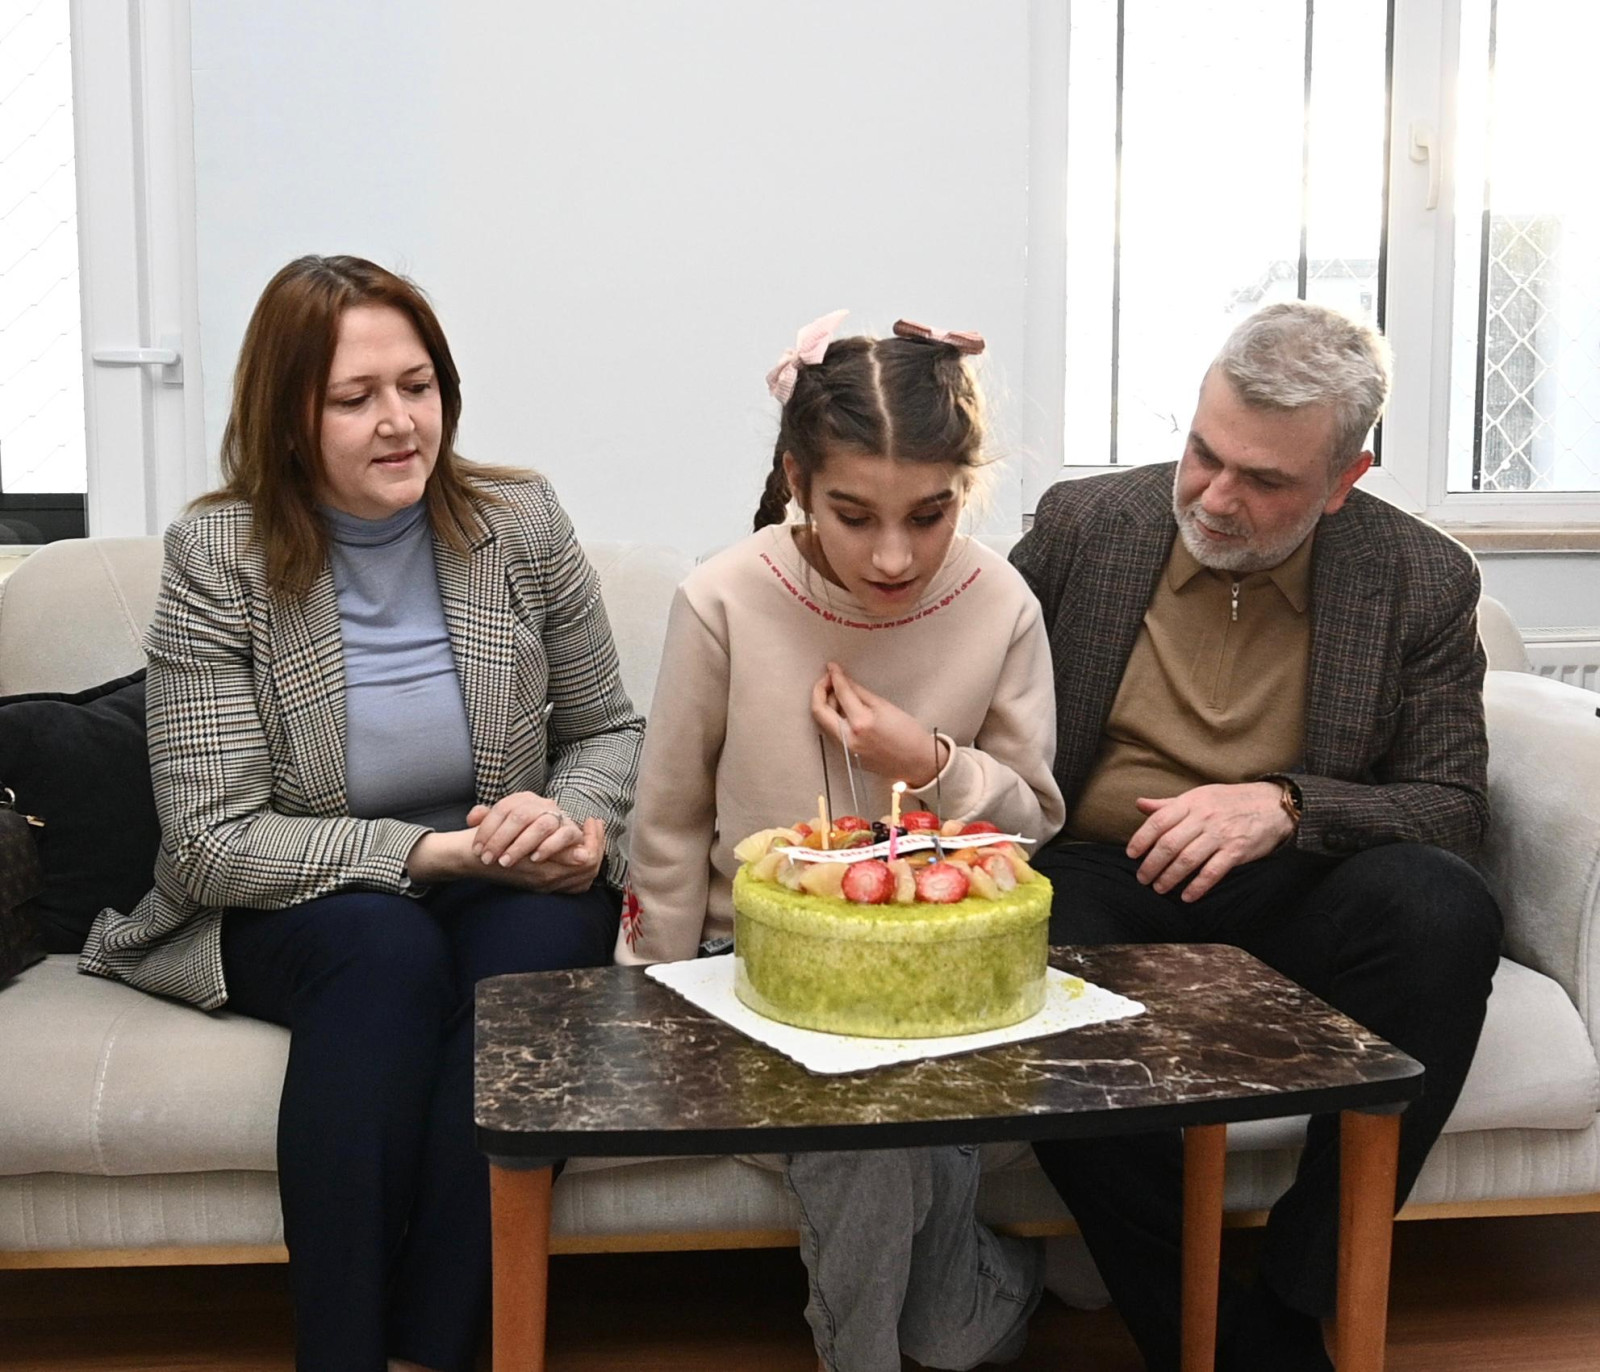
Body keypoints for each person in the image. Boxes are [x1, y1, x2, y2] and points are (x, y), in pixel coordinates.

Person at [79, 255, 645, 1372]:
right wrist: (432, 852)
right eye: (355, 398)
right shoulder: (218, 557)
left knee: (540, 950)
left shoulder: (520, 520)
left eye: (418, 386)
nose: (400, 422)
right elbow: (210, 839)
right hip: (306, 890)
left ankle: (432, 1348)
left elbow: (606, 730)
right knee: (384, 951)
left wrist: (569, 823)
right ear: (287, 420)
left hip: (500, 876)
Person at [1010, 300, 1503, 1371]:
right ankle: (1216, 1341)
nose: (1216, 498)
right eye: (1204, 453)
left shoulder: (1420, 575)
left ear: (1344, 479)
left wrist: (1287, 805)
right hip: (1099, 874)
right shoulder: (1084, 526)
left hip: (1295, 883)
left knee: (1443, 905)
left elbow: (1451, 803)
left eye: (1265, 480)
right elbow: (961, 670)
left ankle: (1297, 1287)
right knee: (1030, 947)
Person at [618, 311, 1063, 1372]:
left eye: (930, 515)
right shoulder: (724, 598)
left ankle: (988, 1293)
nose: (894, 555)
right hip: (755, 967)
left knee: (937, 1288)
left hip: (945, 976)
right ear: (796, 483)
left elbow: (1033, 818)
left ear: (964, 490)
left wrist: (929, 760)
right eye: (854, 516)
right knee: (864, 1120)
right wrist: (647, 1007)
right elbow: (667, 822)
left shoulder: (1000, 602)